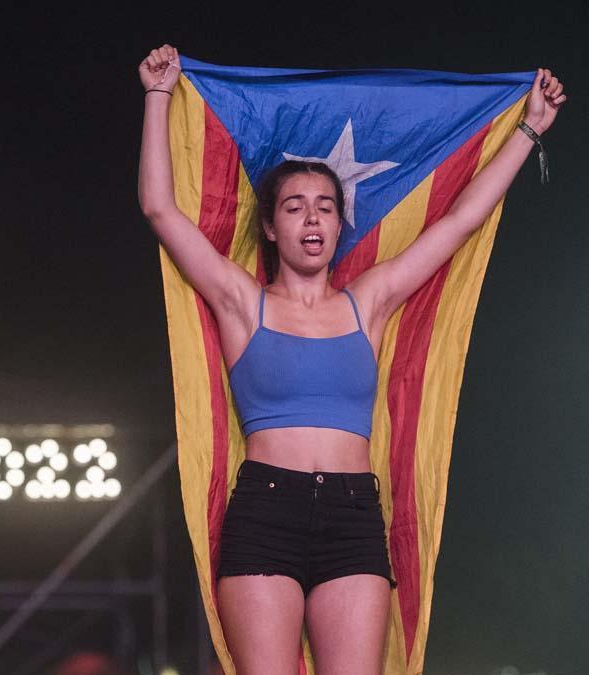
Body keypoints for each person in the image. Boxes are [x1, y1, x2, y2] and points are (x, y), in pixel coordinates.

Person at [137, 44, 565, 675]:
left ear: (341, 226)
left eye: (326, 207)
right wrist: (157, 96)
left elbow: (460, 221)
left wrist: (528, 128)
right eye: (294, 206)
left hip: (353, 518)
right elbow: (159, 210)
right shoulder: (239, 301)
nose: (312, 217)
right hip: (265, 513)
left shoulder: (369, 302)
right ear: (273, 230)